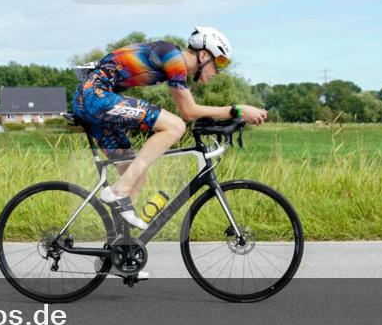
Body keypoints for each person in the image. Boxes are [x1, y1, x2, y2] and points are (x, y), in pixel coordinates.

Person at [72, 27, 268, 236]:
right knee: (175, 126)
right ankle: (117, 191)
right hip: (95, 97)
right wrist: (237, 110)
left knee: (136, 178)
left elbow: (192, 110)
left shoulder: (171, 59)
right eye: (219, 62)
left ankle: (121, 252)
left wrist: (225, 119)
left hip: (93, 98)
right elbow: (188, 112)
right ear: (203, 55)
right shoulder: (174, 58)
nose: (219, 71)